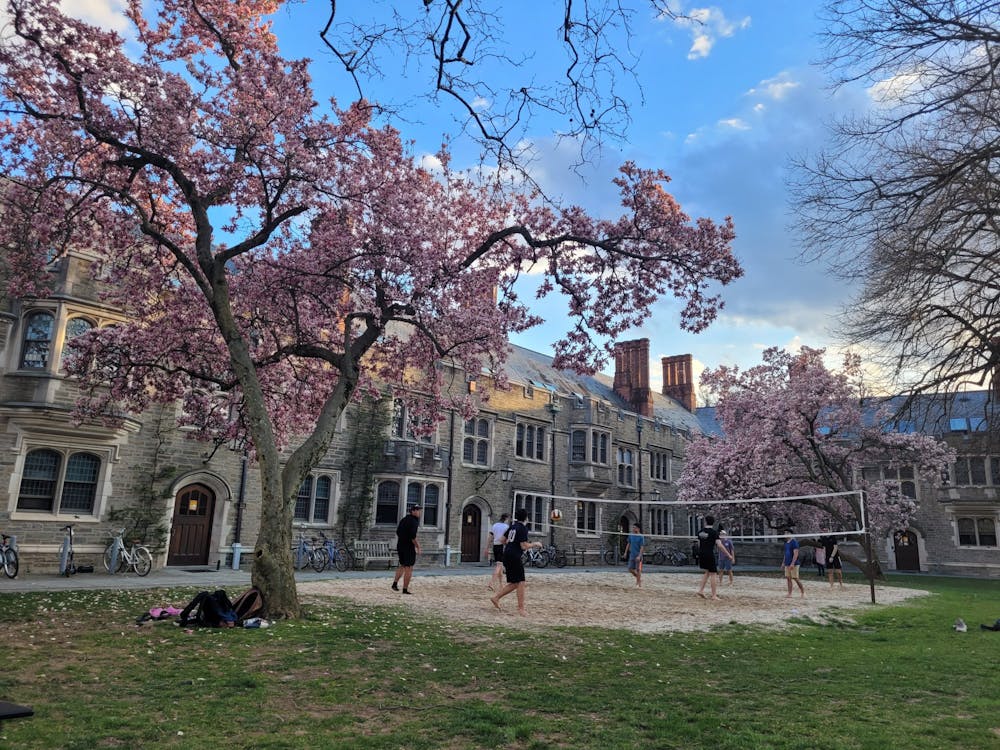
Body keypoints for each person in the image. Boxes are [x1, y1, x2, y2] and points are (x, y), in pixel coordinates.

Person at [490, 507, 543, 616]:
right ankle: (521, 609)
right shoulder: (523, 528)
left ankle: (496, 598)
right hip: (514, 556)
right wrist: (535, 544)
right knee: (521, 582)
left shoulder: (512, 526)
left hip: (507, 554)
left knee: (515, 583)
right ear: (526, 518)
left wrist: (511, 545)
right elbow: (523, 546)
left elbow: (502, 540)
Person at [696, 515, 733, 600]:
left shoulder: (700, 532)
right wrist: (728, 555)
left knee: (707, 572)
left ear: (705, 522)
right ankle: (714, 595)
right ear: (713, 523)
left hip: (701, 553)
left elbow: (698, 543)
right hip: (709, 553)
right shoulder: (714, 533)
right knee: (713, 574)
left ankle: (701, 590)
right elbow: (720, 545)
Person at [391, 504, 422, 594]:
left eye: (419, 510)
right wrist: (418, 547)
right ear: (413, 511)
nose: (419, 512)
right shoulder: (414, 521)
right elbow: (413, 537)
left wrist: (403, 538)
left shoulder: (404, 519)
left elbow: (398, 532)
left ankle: (394, 584)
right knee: (409, 567)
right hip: (408, 547)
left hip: (400, 545)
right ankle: (405, 589)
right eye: (417, 510)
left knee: (403, 565)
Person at [486, 513, 510, 592]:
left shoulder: (495, 525)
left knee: (500, 565)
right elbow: (507, 539)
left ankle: (501, 585)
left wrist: (487, 548)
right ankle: (491, 583)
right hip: (502, 547)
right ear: (506, 519)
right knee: (499, 566)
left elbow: (490, 537)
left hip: (495, 546)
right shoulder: (506, 527)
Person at [782, 531, 805, 598]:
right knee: (788, 578)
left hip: (794, 564)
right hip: (787, 563)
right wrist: (783, 562)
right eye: (785, 533)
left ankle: (803, 592)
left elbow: (796, 553)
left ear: (791, 534)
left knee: (795, 578)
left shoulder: (794, 542)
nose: (785, 534)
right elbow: (785, 554)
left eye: (787, 533)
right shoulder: (786, 543)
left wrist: (792, 563)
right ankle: (789, 593)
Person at [624, 522, 645, 588]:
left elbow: (642, 547)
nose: (633, 529)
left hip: (638, 555)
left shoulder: (641, 536)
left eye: (634, 527)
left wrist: (639, 556)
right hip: (632, 554)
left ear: (638, 529)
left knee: (638, 569)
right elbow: (628, 544)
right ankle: (639, 579)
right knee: (630, 569)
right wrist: (625, 552)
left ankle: (638, 583)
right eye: (633, 527)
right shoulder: (631, 535)